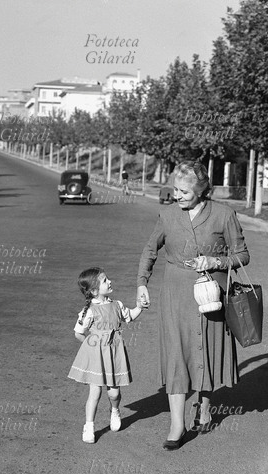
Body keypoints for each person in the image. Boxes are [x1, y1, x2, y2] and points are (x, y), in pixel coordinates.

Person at [136, 161, 249, 450]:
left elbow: (242, 255)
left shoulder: (224, 215)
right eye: (175, 189)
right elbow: (150, 249)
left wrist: (216, 261)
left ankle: (205, 405)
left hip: (212, 293)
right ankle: (177, 424)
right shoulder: (168, 214)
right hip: (175, 291)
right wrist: (141, 283)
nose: (177, 195)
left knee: (206, 349)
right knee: (177, 352)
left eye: (184, 191)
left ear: (201, 191)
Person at [68, 267, 144, 443]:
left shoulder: (117, 305)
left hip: (114, 354)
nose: (109, 281)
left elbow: (130, 316)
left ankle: (115, 411)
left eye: (107, 279)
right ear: (94, 290)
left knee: (114, 394)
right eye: (104, 281)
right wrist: (91, 347)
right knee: (94, 393)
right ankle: (89, 426)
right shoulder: (89, 311)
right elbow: (79, 333)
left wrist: (140, 307)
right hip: (97, 357)